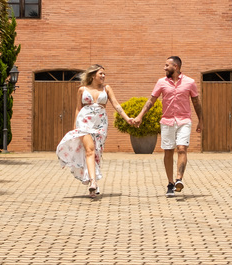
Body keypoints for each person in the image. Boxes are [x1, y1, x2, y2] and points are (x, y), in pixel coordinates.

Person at [131, 56, 203, 197]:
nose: (164, 68)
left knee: (182, 148)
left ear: (175, 67)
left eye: (167, 65)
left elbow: (196, 102)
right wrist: (140, 116)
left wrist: (201, 120)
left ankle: (178, 180)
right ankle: (170, 183)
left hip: (184, 121)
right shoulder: (161, 82)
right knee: (168, 151)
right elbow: (151, 101)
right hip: (167, 121)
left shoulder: (190, 82)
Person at [56, 64, 130, 198]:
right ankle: (93, 182)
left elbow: (116, 105)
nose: (103, 76)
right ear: (92, 75)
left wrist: (127, 119)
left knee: (96, 152)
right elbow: (78, 108)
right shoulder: (82, 89)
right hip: (84, 121)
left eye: (104, 74)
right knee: (89, 150)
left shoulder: (106, 89)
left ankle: (92, 178)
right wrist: (75, 127)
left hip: (100, 122)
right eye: (100, 73)